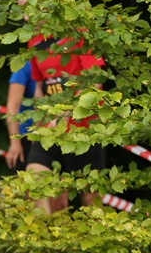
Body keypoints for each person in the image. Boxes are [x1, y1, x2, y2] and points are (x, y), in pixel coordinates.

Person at [25, 30, 106, 213]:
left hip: (83, 131)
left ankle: (99, 231)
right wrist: (38, 125)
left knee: (90, 198)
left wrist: (66, 113)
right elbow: (40, 86)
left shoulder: (80, 33)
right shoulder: (33, 39)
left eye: (30, 14)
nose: (26, 16)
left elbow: (96, 82)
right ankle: (42, 231)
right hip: (50, 130)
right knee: (33, 181)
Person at [5, 61, 38, 171]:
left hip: (56, 133)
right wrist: (15, 142)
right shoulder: (24, 67)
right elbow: (12, 108)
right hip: (26, 135)